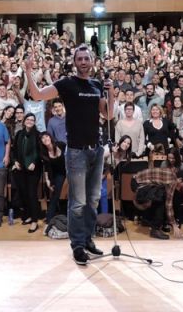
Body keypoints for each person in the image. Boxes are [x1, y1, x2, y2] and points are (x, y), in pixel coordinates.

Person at [24, 44, 115, 267]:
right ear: (74, 62)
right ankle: (77, 246)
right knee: (78, 202)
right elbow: (37, 95)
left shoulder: (96, 85)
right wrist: (28, 71)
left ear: (92, 61)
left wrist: (111, 92)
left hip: (97, 149)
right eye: (80, 58)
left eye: (87, 58)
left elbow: (109, 114)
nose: (83, 62)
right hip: (75, 152)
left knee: (92, 200)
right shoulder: (66, 84)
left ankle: (87, 239)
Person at [129, 145, 183, 240]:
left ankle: (155, 225)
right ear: (180, 181)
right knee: (160, 198)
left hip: (139, 180)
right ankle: (155, 229)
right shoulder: (172, 181)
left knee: (160, 196)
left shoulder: (172, 176)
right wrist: (174, 225)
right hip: (137, 183)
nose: (182, 188)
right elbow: (169, 205)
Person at [11, 112, 43, 232]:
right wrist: (15, 161)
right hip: (21, 168)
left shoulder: (38, 135)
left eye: (32, 120)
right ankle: (29, 215)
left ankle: (34, 221)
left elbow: (40, 153)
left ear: (34, 122)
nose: (30, 121)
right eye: (28, 119)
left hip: (33, 169)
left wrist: (34, 162)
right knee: (23, 193)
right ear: (24, 121)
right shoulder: (19, 134)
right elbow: (14, 151)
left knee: (32, 194)